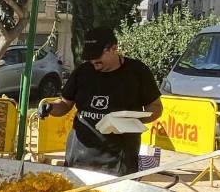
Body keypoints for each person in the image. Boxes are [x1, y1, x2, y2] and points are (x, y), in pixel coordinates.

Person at [38, 27, 162, 175]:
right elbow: (65, 104)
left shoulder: (138, 72)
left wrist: (133, 121)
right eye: (89, 56)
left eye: (97, 55)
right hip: (79, 155)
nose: (93, 61)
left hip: (119, 159)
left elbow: (156, 108)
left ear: (114, 48)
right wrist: (50, 107)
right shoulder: (82, 72)